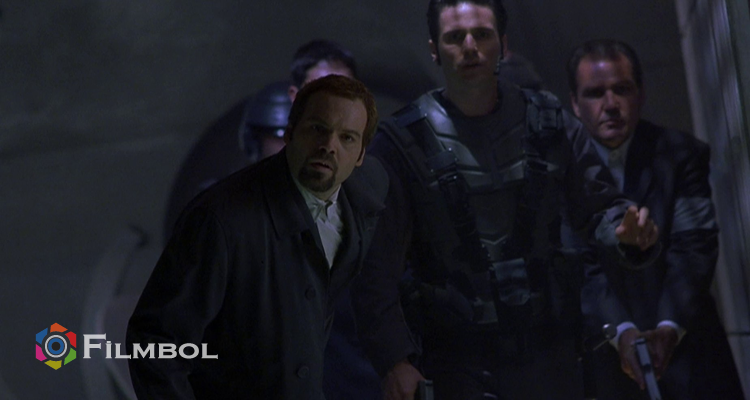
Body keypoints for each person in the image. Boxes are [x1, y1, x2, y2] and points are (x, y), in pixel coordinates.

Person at [351, 1, 661, 399]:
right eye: (455, 37)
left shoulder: (548, 122)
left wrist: (626, 233)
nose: (470, 47)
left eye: (482, 35)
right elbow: (375, 267)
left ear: (502, 43)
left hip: (549, 351)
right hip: (456, 359)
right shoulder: (401, 143)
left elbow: (600, 207)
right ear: (434, 49)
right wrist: (395, 359)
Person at [126, 75, 388, 399]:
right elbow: (155, 343)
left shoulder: (367, 191)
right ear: (290, 132)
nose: (329, 145)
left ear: (361, 154)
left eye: (347, 138)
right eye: (317, 129)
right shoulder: (220, 220)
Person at [568, 38, 744, 399]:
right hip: (607, 357)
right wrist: (621, 332)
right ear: (574, 104)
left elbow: (695, 246)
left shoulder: (680, 154)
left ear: (641, 93)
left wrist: (668, 327)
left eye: (622, 89)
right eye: (595, 93)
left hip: (690, 348)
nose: (610, 104)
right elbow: (579, 266)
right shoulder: (562, 170)